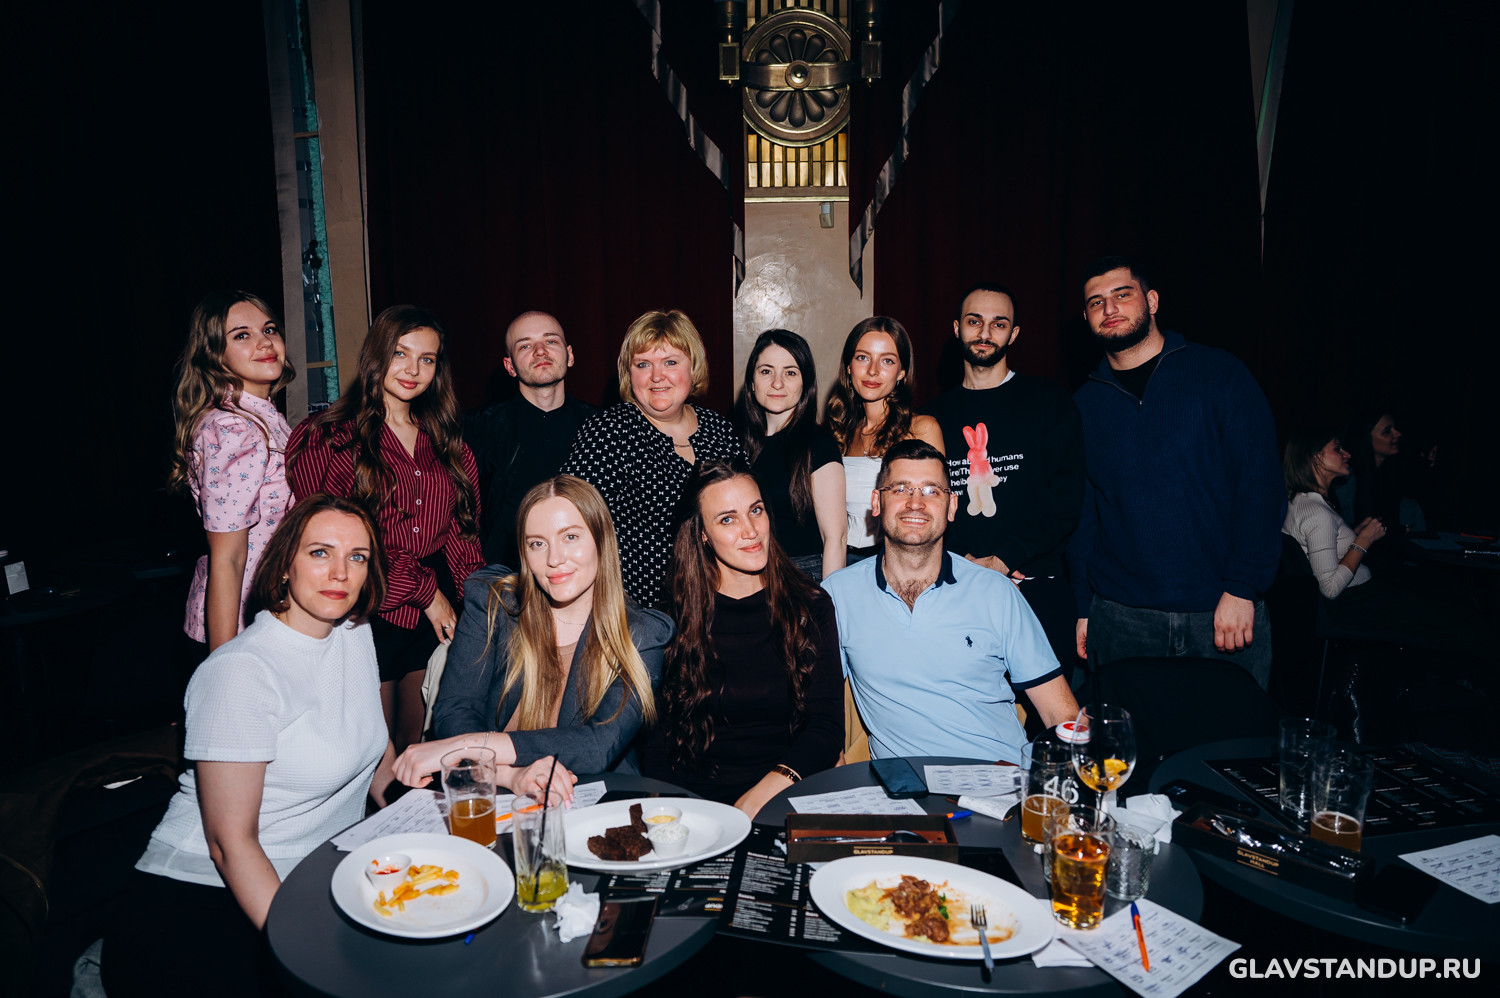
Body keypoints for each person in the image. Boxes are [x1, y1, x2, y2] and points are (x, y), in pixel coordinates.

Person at [103, 494, 393, 998]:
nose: (340, 573)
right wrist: (304, 951)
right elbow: (229, 844)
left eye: (358, 557)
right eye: (320, 553)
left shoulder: (353, 633)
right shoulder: (241, 671)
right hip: (204, 898)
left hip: (313, 877)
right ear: (283, 566)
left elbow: (376, 757)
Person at [1067, 256, 1284, 689]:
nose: (1109, 308)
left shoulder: (1220, 374)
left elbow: (1260, 486)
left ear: (1151, 301)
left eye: (1122, 294)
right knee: (1127, 737)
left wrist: (1243, 586)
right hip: (1122, 619)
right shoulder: (1084, 405)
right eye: (1096, 302)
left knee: (1230, 734)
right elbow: (1084, 516)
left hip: (1220, 612)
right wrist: (1085, 607)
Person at [393, 475, 671, 800]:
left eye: (570, 537)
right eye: (537, 543)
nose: (554, 559)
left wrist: (467, 746)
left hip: (592, 799)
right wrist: (510, 776)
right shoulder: (494, 603)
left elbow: (598, 745)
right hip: (496, 794)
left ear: (601, 540)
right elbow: (455, 711)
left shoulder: (641, 633)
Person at [287, 305, 484, 755]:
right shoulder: (329, 437)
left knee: (418, 749)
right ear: (376, 354)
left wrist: (477, 608)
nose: (413, 370)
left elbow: (463, 535)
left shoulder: (448, 442)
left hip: (433, 611)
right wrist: (424, 592)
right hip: (360, 602)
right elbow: (319, 540)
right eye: (401, 353)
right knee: (367, 750)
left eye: (427, 359)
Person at [821, 440, 1078, 763]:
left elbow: (1060, 713)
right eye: (900, 489)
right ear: (877, 502)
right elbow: (816, 711)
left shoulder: (996, 592)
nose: (915, 503)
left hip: (999, 778)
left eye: (931, 491)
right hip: (906, 788)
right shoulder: (838, 595)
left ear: (952, 506)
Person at [642, 460, 842, 817]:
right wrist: (681, 817)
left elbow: (826, 728)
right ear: (702, 534)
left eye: (756, 510)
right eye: (727, 519)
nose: (750, 530)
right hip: (697, 807)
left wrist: (756, 800)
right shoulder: (670, 619)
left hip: (785, 794)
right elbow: (656, 744)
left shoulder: (810, 605)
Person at [923, 282, 1084, 681]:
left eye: (999, 323)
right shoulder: (931, 417)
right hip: (956, 586)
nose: (985, 332)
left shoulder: (1049, 401)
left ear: (1014, 334)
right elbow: (927, 502)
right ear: (956, 328)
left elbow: (1066, 499)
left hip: (1035, 588)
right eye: (974, 321)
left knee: (1050, 713)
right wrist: (968, 564)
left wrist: (1004, 559)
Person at [561, 309, 743, 608]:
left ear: (693, 367)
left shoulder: (719, 429)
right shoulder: (608, 431)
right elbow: (570, 523)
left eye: (670, 362)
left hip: (720, 604)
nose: (657, 376)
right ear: (629, 373)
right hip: (638, 611)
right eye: (643, 364)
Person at [1282, 430, 1488, 656]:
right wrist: (1363, 540)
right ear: (1315, 458)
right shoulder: (1317, 512)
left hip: (1356, 600)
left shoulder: (1298, 501)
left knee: (1442, 600)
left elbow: (1317, 555)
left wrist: (1354, 534)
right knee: (1460, 617)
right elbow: (1330, 588)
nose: (1347, 454)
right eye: (1338, 449)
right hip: (1355, 605)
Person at [169, 290, 297, 652]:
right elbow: (228, 557)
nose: (265, 342)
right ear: (214, 354)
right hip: (245, 626)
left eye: (269, 329)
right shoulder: (233, 428)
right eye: (242, 335)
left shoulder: (261, 415)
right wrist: (224, 663)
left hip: (275, 610)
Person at [464, 311, 596, 568]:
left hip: (587, 574)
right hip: (503, 581)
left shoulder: (601, 427)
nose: (540, 351)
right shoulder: (475, 429)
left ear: (570, 355)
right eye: (525, 345)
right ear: (510, 366)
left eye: (551, 341)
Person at [824, 316, 945, 562]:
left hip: (898, 561)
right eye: (862, 357)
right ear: (849, 367)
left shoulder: (921, 429)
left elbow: (936, 508)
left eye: (887, 360)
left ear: (901, 372)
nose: (872, 370)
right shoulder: (839, 433)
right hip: (842, 561)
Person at [738, 329, 847, 580]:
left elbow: (835, 538)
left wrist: (829, 599)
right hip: (749, 574)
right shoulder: (737, 444)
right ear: (752, 382)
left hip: (802, 576)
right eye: (766, 371)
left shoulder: (819, 445)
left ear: (805, 384)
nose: (777, 383)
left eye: (790, 373)